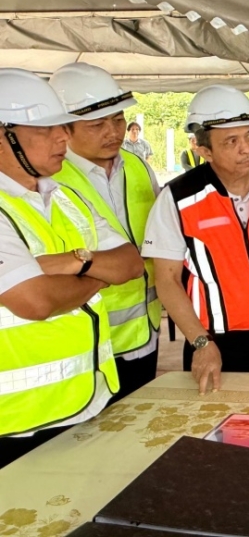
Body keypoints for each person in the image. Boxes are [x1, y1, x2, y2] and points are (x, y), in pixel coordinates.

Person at [0, 69, 143, 468]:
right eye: (46, 129)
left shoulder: (65, 198)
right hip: (15, 422)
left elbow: (130, 263)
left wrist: (73, 264)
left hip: (86, 400)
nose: (63, 137)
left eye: (61, 126)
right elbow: (35, 300)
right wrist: (98, 272)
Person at [143, 85, 249, 394]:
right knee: (219, 438)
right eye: (232, 141)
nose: (246, 148)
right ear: (204, 150)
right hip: (215, 345)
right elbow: (166, 279)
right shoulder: (178, 198)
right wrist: (201, 342)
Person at [50, 63, 162, 399]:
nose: (113, 131)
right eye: (97, 124)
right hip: (89, 340)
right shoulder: (50, 180)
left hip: (146, 332)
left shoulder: (138, 166)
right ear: (62, 127)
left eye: (117, 119)